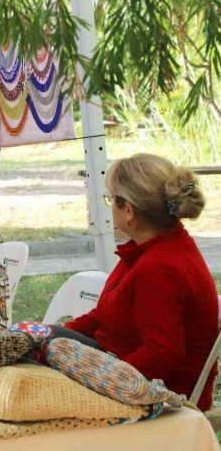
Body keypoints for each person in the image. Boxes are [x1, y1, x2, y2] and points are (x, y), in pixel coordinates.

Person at [64, 154, 217, 411]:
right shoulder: (151, 248)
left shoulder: (159, 266)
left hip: (165, 397)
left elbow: (162, 353)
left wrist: (105, 378)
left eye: (111, 199)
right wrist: (48, 334)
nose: (110, 206)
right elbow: (108, 314)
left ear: (128, 210)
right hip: (132, 373)